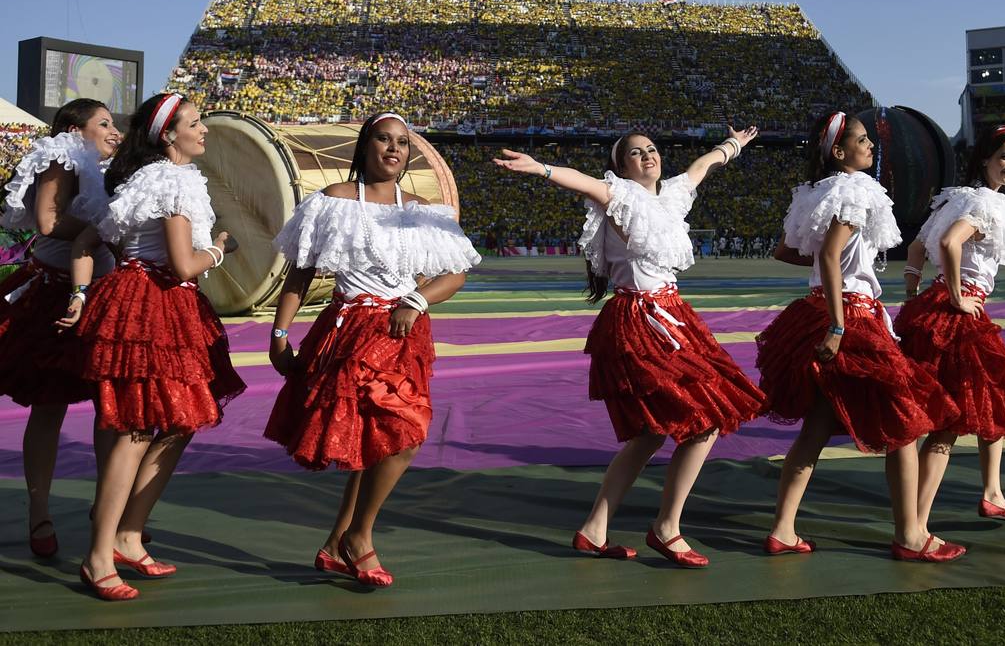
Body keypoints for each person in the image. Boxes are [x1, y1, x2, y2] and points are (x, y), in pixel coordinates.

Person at [494, 128, 763, 567]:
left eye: (652, 149)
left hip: (671, 316)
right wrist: (541, 168)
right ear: (621, 167)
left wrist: (733, 146)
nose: (647, 156)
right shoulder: (617, 195)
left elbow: (702, 165)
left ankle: (595, 530)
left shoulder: (672, 195)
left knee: (652, 432)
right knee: (703, 420)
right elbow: (581, 180)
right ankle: (666, 528)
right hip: (642, 321)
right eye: (635, 153)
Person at [264, 112, 478, 587]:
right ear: (365, 146)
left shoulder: (422, 208)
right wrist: (280, 335)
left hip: (403, 333)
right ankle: (356, 539)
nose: (394, 149)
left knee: (394, 435)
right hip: (350, 332)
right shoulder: (336, 199)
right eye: (384, 139)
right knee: (393, 435)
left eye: (403, 142)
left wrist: (418, 300)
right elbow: (300, 273)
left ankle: (341, 541)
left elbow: (456, 273)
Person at [756, 112, 963, 561]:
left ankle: (783, 530)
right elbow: (830, 256)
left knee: (816, 426)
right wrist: (837, 320)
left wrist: (830, 276)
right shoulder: (854, 191)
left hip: (826, 308)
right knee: (905, 426)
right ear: (839, 151)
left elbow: (789, 252)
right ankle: (910, 535)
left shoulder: (818, 193)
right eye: (863, 140)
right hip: (850, 317)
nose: (871, 146)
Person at [67, 93, 246, 601]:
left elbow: (89, 241)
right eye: (195, 124)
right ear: (169, 135)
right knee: (137, 428)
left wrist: (81, 294)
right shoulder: (170, 181)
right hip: (156, 305)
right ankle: (100, 554)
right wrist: (222, 247)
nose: (204, 130)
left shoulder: (150, 179)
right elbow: (184, 265)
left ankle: (126, 535)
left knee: (177, 421)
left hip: (150, 302)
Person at [894, 124, 1005, 528]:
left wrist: (914, 290)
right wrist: (955, 294)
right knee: (949, 425)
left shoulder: (957, 198)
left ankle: (993, 493)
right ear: (985, 158)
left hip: (934, 307)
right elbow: (950, 243)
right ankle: (916, 524)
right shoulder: (983, 204)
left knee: (988, 398)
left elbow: (918, 247)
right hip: (957, 311)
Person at [0, 99, 119, 557]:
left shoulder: (103, 166)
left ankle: (104, 512)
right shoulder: (62, 156)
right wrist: (109, 231)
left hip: (101, 293)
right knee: (49, 406)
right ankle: (39, 514)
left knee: (111, 404)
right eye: (104, 123)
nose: (115, 132)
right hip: (56, 295)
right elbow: (49, 220)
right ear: (74, 129)